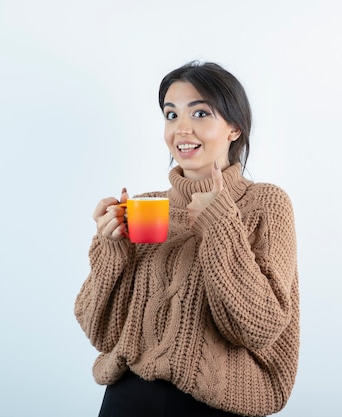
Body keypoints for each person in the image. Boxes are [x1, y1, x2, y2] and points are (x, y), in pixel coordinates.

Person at [75, 61, 300, 417]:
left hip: (218, 402)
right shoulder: (146, 207)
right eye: (171, 114)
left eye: (199, 113)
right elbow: (100, 331)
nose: (181, 129)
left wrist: (219, 221)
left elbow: (260, 327)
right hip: (127, 398)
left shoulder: (265, 204)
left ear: (234, 128)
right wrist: (112, 249)